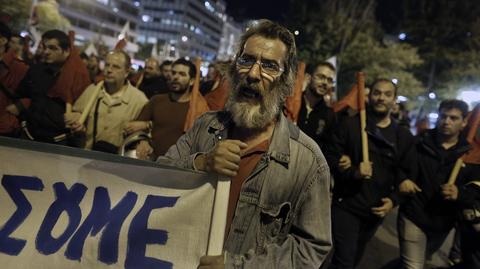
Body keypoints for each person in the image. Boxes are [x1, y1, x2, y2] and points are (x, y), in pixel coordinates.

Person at [159, 19, 332, 268]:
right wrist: (202, 162)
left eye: (270, 66)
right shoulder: (205, 127)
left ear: (286, 80)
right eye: (246, 60)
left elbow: (311, 249)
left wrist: (236, 267)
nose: (253, 74)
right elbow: (160, 174)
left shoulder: (308, 162)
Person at [325, 78, 417, 269]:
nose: (381, 98)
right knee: (345, 260)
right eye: (377, 93)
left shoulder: (403, 136)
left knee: (355, 255)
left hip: (375, 211)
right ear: (369, 96)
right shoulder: (350, 125)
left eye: (387, 94)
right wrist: (353, 171)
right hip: (346, 205)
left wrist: (393, 201)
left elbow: (405, 174)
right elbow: (330, 157)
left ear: (394, 100)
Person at [397, 100, 477, 269]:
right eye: (443, 116)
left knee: (418, 260)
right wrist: (403, 179)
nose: (446, 121)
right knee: (413, 265)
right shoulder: (420, 141)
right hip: (414, 215)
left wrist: (459, 194)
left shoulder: (469, 154)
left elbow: (475, 190)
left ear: (464, 123)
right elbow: (399, 166)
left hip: (443, 223)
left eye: (453, 118)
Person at [7, 29, 89, 144]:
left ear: (66, 51)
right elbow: (20, 95)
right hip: (28, 136)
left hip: (59, 142)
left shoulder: (79, 77)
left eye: (53, 48)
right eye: (45, 47)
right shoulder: (36, 70)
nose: (46, 52)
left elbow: (86, 108)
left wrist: (78, 115)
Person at [65, 50, 148, 153]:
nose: (109, 70)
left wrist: (146, 125)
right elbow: (76, 115)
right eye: (107, 65)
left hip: (116, 163)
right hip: (87, 156)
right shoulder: (92, 90)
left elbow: (147, 131)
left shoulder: (139, 100)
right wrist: (76, 121)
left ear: (127, 72)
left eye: (116, 67)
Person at [124, 58, 196, 159]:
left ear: (192, 81)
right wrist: (143, 141)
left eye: (182, 74)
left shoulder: (196, 108)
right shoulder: (157, 100)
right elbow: (135, 127)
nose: (176, 77)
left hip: (178, 167)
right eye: (174, 73)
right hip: (150, 162)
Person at [297, 62, 337, 150]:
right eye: (321, 77)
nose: (325, 83)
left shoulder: (330, 115)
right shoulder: (292, 104)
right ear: (308, 78)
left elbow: (331, 150)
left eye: (329, 80)